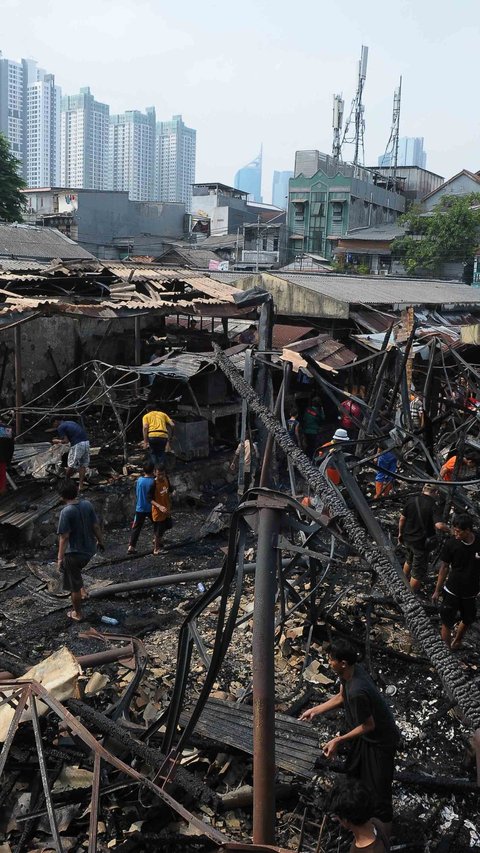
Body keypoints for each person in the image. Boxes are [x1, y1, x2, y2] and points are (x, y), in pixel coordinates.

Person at [299, 639, 399, 829]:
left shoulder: (358, 691)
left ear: (343, 663)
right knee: (353, 772)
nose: (329, 662)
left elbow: (368, 725)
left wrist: (339, 739)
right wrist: (317, 709)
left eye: (331, 659)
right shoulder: (349, 673)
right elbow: (341, 697)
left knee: (379, 790)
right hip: (365, 737)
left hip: (380, 741)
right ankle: (355, 812)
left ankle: (383, 833)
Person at [57, 480, 104, 622]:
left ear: (61, 496)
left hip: (74, 554)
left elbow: (64, 537)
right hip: (89, 550)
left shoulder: (66, 512)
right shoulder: (87, 504)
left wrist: (59, 558)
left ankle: (77, 613)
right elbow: (95, 526)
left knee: (73, 586)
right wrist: (101, 541)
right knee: (77, 573)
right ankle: (83, 591)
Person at [433, 513, 480, 649]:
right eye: (454, 530)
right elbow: (444, 567)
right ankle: (446, 649)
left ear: (468, 530)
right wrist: (437, 590)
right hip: (452, 590)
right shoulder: (451, 544)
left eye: (458, 531)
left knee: (468, 619)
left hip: (471, 591)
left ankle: (457, 641)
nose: (455, 534)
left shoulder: (478, 542)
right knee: (447, 621)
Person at [398, 483, 450, 592]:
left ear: (423, 489)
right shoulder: (433, 506)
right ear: (435, 492)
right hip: (421, 544)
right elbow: (439, 525)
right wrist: (451, 530)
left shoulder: (412, 500)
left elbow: (402, 519)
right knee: (417, 573)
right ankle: (410, 595)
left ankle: (402, 583)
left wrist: (400, 534)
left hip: (408, 538)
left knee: (408, 560)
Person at [328, 779, 390, 852]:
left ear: (345, 819)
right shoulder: (376, 823)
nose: (337, 819)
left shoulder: (359, 850)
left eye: (337, 816)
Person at [51, 416, 90, 491]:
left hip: (78, 444)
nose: (53, 426)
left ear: (56, 421)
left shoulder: (60, 427)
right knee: (83, 465)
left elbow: (66, 441)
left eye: (53, 424)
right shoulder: (70, 422)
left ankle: (65, 484)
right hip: (86, 442)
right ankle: (80, 486)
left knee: (71, 464)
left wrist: (57, 441)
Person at [127, 461, 155, 554]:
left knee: (136, 527)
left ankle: (131, 546)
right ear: (153, 470)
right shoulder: (153, 481)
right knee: (157, 524)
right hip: (151, 507)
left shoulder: (139, 480)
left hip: (140, 507)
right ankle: (157, 539)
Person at [149, 464, 173, 554]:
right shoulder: (153, 484)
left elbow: (169, 489)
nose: (161, 476)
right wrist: (159, 506)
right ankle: (156, 549)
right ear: (155, 473)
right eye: (159, 474)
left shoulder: (166, 479)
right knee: (159, 530)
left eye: (162, 474)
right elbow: (149, 499)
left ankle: (158, 539)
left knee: (169, 525)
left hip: (166, 509)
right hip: (158, 511)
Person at [0, 413, 14, 495]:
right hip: (3, 458)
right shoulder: (7, 429)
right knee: (2, 477)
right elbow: (11, 446)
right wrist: (9, 459)